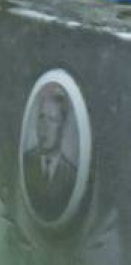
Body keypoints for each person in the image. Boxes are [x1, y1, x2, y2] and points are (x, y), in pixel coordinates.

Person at [22, 86, 77, 223]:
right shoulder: (25, 162)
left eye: (52, 120)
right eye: (41, 117)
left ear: (62, 127)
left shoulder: (71, 177)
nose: (44, 127)